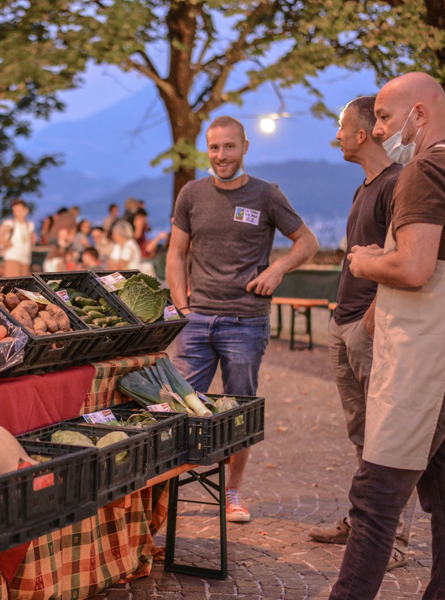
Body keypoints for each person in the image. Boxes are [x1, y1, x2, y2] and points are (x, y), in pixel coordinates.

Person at [329, 72, 445, 600]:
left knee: (375, 497)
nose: (379, 130)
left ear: (421, 114)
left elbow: (414, 267)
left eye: (384, 116)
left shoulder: (426, 169)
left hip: (432, 364)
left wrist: (364, 262)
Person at [167, 115, 318, 523]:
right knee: (178, 406)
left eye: (229, 147)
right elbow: (176, 253)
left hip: (245, 322)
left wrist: (277, 270)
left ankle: (232, 492)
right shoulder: (192, 193)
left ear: (245, 147)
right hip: (196, 321)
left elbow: (308, 241)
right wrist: (182, 308)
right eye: (214, 148)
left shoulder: (267, 195)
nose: (221, 156)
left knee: (240, 412)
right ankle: (166, 490)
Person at [307, 96, 414, 570]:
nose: (337, 134)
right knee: (361, 433)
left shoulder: (397, 185)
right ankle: (364, 520)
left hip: (369, 327)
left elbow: (404, 258)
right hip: (344, 322)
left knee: (387, 436)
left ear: (364, 132)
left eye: (342, 126)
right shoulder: (363, 187)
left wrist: (372, 314)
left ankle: (393, 540)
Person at [0, 199, 36, 276]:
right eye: (15, 211)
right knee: (12, 284)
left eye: (19, 210)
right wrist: (7, 243)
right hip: (13, 257)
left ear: (26, 210)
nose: (17, 213)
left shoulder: (29, 225)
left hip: (26, 259)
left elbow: (33, 240)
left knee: (23, 285)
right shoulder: (10, 224)